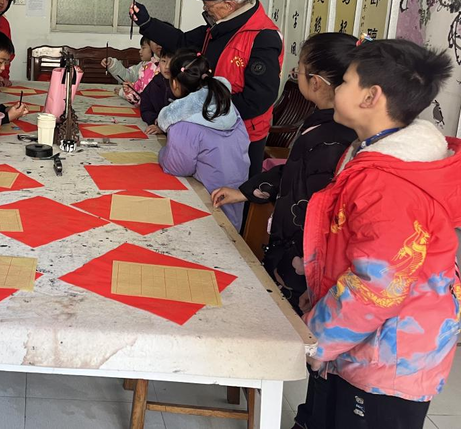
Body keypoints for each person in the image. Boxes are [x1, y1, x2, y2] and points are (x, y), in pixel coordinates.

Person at [297, 39, 461, 429]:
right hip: (367, 337)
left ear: (371, 97)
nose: (337, 87)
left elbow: (378, 284)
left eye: (345, 81)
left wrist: (318, 338)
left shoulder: (389, 183)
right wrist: (321, 292)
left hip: (389, 358)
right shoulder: (373, 153)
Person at [210, 33, 358, 316]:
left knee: (286, 317)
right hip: (291, 248)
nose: (294, 73)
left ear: (316, 82)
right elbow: (294, 171)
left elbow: (315, 207)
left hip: (301, 259)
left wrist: (297, 263)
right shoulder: (324, 124)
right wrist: (244, 192)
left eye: (298, 69)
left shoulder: (332, 139)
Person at [130, 0, 282, 179]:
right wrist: (147, 23)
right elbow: (182, 41)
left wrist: (200, 106)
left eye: (208, 5)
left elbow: (259, 98)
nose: (205, 9)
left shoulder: (263, 37)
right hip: (208, 128)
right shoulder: (220, 27)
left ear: (228, 4)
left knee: (237, 191)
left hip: (242, 136)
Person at [157, 50, 250, 230]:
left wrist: (162, 153)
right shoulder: (228, 106)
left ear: (175, 83)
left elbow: (176, 167)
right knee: (230, 233)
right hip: (235, 194)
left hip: (208, 201)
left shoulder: (183, 122)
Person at [140, 48, 174, 132]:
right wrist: (155, 122)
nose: (167, 66)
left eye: (173, 62)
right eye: (163, 61)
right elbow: (145, 108)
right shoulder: (156, 82)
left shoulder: (183, 85)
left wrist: (164, 128)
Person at [121, 38, 161, 104]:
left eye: (143, 48)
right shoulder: (145, 68)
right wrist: (130, 90)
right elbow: (138, 97)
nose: (140, 51)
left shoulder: (164, 67)